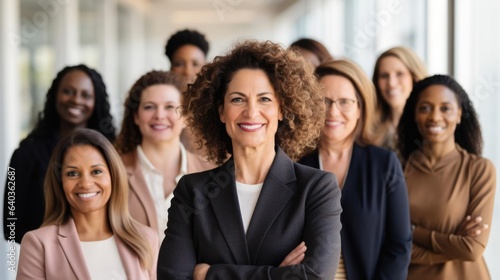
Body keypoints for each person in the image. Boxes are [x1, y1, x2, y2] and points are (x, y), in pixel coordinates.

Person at [157, 40, 342, 279]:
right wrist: (279, 274)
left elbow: (315, 276)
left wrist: (211, 274)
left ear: (282, 109)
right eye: (237, 99)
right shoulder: (193, 191)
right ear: (221, 112)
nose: (251, 112)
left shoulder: (317, 188)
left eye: (264, 99)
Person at [299, 59, 412, 279]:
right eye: (325, 101)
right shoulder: (295, 164)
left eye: (345, 102)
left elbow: (399, 244)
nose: (333, 111)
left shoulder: (383, 164)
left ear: (360, 108)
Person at [16, 128, 158, 280]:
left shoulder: (146, 239)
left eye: (96, 171)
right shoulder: (39, 244)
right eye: (72, 173)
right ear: (60, 182)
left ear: (113, 175)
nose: (85, 183)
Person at [397, 75, 496, 279]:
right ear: (415, 114)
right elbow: (390, 243)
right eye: (425, 108)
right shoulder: (397, 169)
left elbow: (472, 248)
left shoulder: (479, 170)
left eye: (445, 108)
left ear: (459, 114)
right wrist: (452, 244)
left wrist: (413, 231)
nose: (435, 116)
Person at [3, 64, 116, 243]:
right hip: (46, 261)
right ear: (55, 94)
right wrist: (48, 246)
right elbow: (11, 225)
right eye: (68, 91)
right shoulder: (24, 155)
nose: (76, 100)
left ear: (97, 102)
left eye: (86, 95)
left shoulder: (112, 151)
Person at [114, 70, 215, 240]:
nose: (159, 115)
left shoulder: (212, 175)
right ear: (136, 117)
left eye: (169, 107)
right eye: (149, 107)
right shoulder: (113, 172)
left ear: (185, 117)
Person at [164, 29, 210, 155]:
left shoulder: (215, 105)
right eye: (179, 64)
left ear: (205, 66)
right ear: (171, 68)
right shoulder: (161, 104)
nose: (188, 71)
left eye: (195, 64)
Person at [372, 46, 427, 150]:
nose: (391, 83)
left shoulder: (430, 126)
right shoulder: (369, 129)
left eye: (399, 74)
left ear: (414, 77)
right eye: (384, 76)